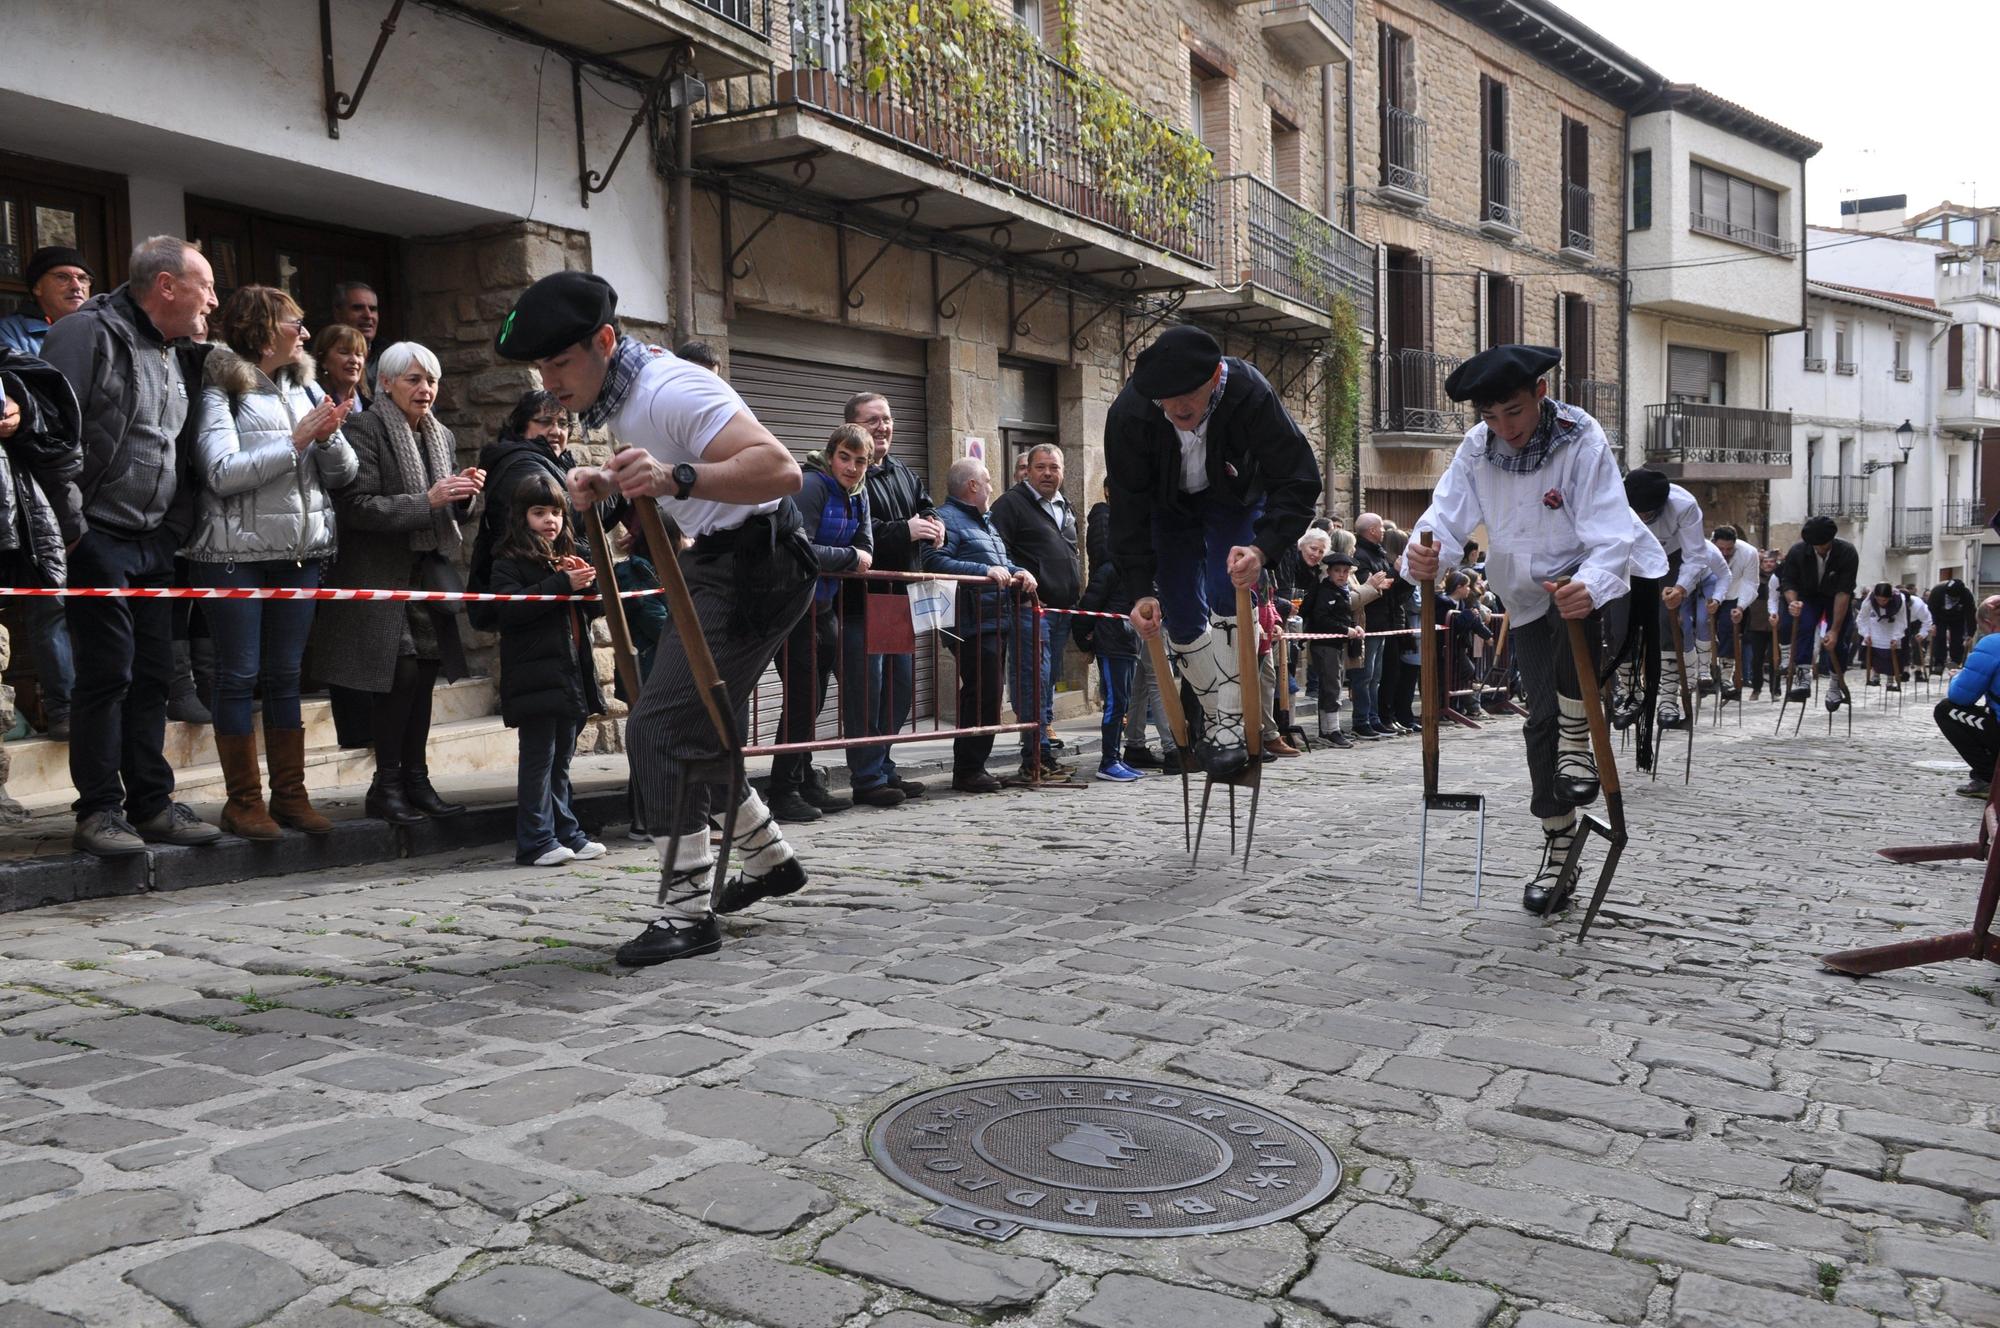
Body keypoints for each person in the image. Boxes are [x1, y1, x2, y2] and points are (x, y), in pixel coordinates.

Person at [500, 270, 817, 968]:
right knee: (692, 725)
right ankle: (769, 860)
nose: (550, 380)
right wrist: (613, 482)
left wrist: (676, 480)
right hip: (721, 561)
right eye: (541, 366)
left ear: (605, 343)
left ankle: (685, 914)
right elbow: (665, 463)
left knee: (664, 725)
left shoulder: (672, 388)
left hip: (757, 565)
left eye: (560, 362)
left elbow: (781, 468)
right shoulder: (624, 392)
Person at [1405, 345, 1636, 914]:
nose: (1503, 428)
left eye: (1513, 411)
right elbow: (1445, 515)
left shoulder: (1581, 438)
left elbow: (1611, 525)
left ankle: (1578, 746)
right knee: (1540, 720)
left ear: (1540, 392)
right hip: (1523, 590)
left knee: (1566, 691)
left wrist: (1596, 580)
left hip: (1583, 578)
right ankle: (1558, 843)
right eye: (1490, 416)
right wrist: (1426, 553)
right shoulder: (1477, 448)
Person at [43, 235, 223, 857]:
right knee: (107, 675)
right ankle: (98, 811)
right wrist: (77, 534)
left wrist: (174, 530)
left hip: (156, 542)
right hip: (97, 537)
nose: (214, 300)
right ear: (166, 286)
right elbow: (51, 438)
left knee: (153, 676)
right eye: (205, 285)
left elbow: (177, 448)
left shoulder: (181, 353)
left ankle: (151, 804)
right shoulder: (83, 333)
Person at [1107, 326, 1320, 778]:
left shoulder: (1250, 392)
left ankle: (1227, 727)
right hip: (1168, 509)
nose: (1180, 407)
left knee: (1230, 589)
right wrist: (1139, 589)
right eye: (1168, 399)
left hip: (1235, 498)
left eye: (1190, 395)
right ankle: (1221, 719)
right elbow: (1127, 510)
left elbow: (1298, 479)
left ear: (1216, 377)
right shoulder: (1130, 415)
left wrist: (1264, 548)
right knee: (1180, 613)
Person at [186, 285, 357, 840]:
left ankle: (290, 796)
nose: (305, 334)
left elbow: (344, 474)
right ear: (261, 328)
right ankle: (243, 803)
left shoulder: (305, 385)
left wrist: (327, 439)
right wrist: (297, 440)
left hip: (300, 553)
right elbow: (220, 472)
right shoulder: (221, 387)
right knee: (236, 677)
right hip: (234, 556)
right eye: (295, 322)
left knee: (286, 677)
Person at [309, 341, 484, 825]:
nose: (425, 390)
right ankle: (384, 786)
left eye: (431, 380)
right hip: (376, 575)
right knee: (400, 674)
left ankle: (417, 781)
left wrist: (465, 494)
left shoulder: (441, 435)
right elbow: (356, 507)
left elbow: (449, 507)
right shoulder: (364, 429)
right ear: (385, 383)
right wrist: (426, 500)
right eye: (413, 379)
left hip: (425, 573)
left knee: (425, 676)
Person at [771, 424, 891, 821]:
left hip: (823, 608)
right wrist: (848, 558)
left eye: (861, 461)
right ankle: (782, 791)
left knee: (814, 700)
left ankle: (805, 781)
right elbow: (802, 549)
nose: (853, 467)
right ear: (830, 454)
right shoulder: (811, 485)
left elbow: (868, 548)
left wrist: (853, 557)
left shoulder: (859, 494)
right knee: (801, 700)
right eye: (845, 457)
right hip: (789, 608)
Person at [489, 473, 608, 866]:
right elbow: (507, 610)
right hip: (535, 677)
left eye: (555, 512)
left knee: (562, 760)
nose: (550, 521)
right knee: (539, 761)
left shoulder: (571, 554)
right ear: (522, 517)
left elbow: (596, 610)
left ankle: (567, 833)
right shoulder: (508, 561)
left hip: (569, 675)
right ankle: (535, 840)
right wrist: (559, 584)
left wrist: (587, 586)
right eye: (539, 513)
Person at [924, 457, 1037, 793]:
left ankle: (977, 766)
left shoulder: (985, 522)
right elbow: (933, 561)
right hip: (970, 622)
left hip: (994, 619)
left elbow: (999, 561)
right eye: (987, 480)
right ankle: (968, 769)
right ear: (972, 485)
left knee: (989, 695)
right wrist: (982, 572)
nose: (991, 487)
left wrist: (1019, 570)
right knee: (981, 694)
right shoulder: (946, 519)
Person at [468, 389, 622, 633]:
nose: (555, 431)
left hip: (558, 583)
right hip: (535, 584)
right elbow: (570, 512)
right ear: (521, 427)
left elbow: (584, 521)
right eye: (544, 422)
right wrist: (613, 489)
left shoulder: (551, 462)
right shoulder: (520, 462)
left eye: (562, 423)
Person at [852, 391, 940, 800]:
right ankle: (867, 777)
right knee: (869, 691)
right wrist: (904, 531)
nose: (882, 427)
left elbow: (927, 508)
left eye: (886, 419)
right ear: (854, 426)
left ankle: (884, 765)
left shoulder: (905, 471)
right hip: (867, 597)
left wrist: (937, 527)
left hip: (903, 597)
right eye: (873, 420)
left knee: (900, 689)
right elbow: (858, 534)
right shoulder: (850, 474)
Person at [991, 442, 1081, 780]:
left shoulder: (1064, 505)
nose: (1047, 473)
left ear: (1062, 471)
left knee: (1049, 680)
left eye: (1053, 467)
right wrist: (1018, 576)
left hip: (1063, 609)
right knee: (1033, 679)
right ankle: (1033, 757)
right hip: (1031, 609)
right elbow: (998, 551)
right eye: (1040, 467)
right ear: (1027, 470)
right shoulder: (1012, 504)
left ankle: (1044, 752)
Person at [1621, 468, 1709, 732]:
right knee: (1618, 623)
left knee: (1664, 622)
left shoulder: (1685, 505)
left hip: (1669, 556)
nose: (1643, 517)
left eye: (1648, 513)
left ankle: (1668, 698)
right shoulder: (1613, 499)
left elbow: (1695, 555)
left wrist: (1680, 589)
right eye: (1638, 512)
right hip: (1627, 556)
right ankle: (1630, 692)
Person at [1080, 476, 1146, 780]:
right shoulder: (1109, 569)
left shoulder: (1134, 573)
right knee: (1114, 704)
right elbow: (1086, 607)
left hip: (1128, 642)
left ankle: (1116, 757)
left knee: (1123, 702)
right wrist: (1085, 640)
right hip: (1112, 640)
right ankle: (1108, 761)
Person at [1777, 515, 1860, 710]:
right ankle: (1803, 675)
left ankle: (1834, 683)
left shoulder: (1847, 553)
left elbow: (1843, 592)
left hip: (1835, 596)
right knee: (1803, 626)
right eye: (1815, 546)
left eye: (1823, 545)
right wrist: (1793, 602)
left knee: (1837, 640)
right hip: (1807, 595)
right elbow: (1788, 582)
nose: (1820, 549)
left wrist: (1834, 629)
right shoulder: (1798, 551)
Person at [1297, 533, 1362, 748]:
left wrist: (1353, 627)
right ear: (1329, 572)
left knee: (1332, 685)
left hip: (1334, 644)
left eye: (1345, 572)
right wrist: (1346, 629)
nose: (1342, 575)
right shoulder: (1325, 591)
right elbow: (1321, 618)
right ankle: (1330, 730)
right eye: (1338, 571)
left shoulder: (1341, 591)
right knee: (1332, 686)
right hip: (1325, 645)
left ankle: (1328, 729)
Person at [1937, 595, 2000, 799]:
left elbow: (1960, 697)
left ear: (1989, 624)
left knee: (1946, 710)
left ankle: (1988, 777)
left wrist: (1958, 677)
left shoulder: (1992, 643)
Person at [1349, 513, 1398, 738]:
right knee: (1365, 675)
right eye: (1381, 527)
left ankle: (1374, 717)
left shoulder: (1378, 553)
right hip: (1368, 623)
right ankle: (1362, 719)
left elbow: (1387, 582)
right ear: (1371, 530)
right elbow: (1371, 586)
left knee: (1376, 675)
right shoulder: (1361, 555)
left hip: (1382, 621)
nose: (1384, 531)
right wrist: (1379, 585)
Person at [0, 247, 93, 355]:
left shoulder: (103, 332)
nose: (76, 286)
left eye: (82, 278)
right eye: (62, 277)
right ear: (37, 287)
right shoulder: (8, 333)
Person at [1710, 526, 1759, 701]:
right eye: (1720, 549)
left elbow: (1751, 582)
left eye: (1729, 549)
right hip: (1708, 594)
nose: (1724, 552)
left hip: (1733, 595)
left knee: (1728, 629)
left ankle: (1726, 676)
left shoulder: (1749, 552)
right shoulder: (1705, 550)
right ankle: (1702, 670)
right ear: (1713, 542)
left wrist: (1741, 606)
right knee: (1700, 626)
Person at [1744, 548, 1780, 700]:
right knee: (1756, 658)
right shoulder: (1754, 578)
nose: (1768, 564)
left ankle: (1775, 689)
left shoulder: (1779, 578)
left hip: (1774, 623)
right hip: (1756, 623)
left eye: (1771, 562)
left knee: (1774, 658)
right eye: (1765, 562)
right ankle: (1756, 688)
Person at [313, 323, 371, 413]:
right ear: (323, 360)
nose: (354, 360)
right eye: (344, 352)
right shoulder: (312, 401)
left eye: (359, 354)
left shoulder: (371, 407)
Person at [1929, 571, 1976, 670]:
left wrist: (1970, 634)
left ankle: (1956, 661)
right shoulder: (1937, 592)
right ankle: (1939, 661)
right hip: (1940, 616)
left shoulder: (1967, 595)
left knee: (1958, 639)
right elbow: (1931, 609)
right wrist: (1933, 623)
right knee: (1939, 636)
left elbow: (1970, 615)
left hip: (1958, 618)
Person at [331, 281, 380, 361]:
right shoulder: (319, 359)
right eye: (358, 308)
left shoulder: (391, 354)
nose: (368, 315)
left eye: (372, 309)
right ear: (338, 314)